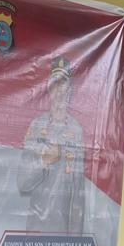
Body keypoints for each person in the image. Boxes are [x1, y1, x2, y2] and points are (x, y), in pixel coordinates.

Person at [18, 57, 86, 234]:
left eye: (63, 84)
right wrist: (44, 161)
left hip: (63, 232)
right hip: (36, 230)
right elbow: (22, 182)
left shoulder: (76, 131)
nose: (59, 91)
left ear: (70, 89)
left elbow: (78, 193)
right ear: (48, 88)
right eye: (55, 84)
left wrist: (76, 238)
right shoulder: (36, 126)